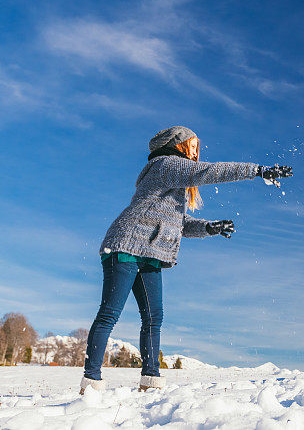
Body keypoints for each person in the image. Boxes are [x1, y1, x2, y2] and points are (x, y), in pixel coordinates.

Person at [80, 126, 292, 394]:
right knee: (110, 313)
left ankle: (150, 379)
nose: (195, 151)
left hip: (151, 253)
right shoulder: (165, 164)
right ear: (177, 144)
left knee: (154, 317)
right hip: (125, 244)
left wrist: (209, 227)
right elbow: (208, 171)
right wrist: (257, 170)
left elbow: (177, 223)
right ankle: (91, 382)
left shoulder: (173, 176)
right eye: (192, 145)